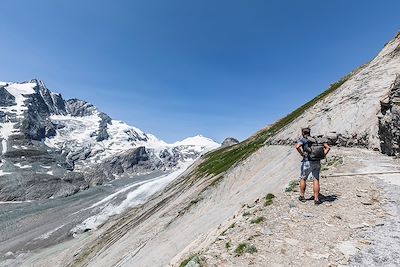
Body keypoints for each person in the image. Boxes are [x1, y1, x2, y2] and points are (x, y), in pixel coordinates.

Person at [295, 127, 330, 205]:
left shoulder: (303, 140)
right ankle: (316, 199)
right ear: (310, 132)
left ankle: (302, 196)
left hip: (307, 161)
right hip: (317, 161)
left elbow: (297, 147)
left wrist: (301, 154)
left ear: (302, 133)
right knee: (316, 179)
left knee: (303, 178)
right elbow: (328, 147)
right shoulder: (317, 140)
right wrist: (323, 155)